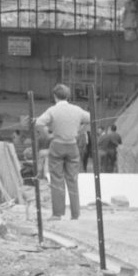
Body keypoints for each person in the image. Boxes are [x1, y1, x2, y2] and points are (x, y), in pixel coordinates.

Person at [36, 84, 90, 221]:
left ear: (55, 96)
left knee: (57, 180)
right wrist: (80, 131)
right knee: (72, 179)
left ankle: (57, 214)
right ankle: (75, 214)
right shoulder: (77, 110)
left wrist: (47, 135)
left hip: (57, 145)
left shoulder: (53, 110)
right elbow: (91, 119)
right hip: (72, 145)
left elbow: (38, 123)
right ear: (68, 96)